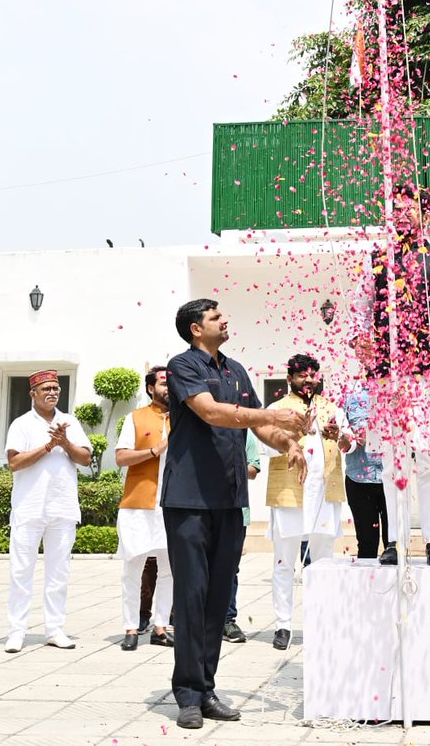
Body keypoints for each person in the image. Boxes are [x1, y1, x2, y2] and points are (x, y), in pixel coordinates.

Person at [162, 298, 307, 730]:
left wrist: (287, 443)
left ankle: (206, 689)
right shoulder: (182, 366)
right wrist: (270, 412)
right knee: (191, 596)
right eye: (214, 317)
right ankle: (186, 694)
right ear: (194, 329)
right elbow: (210, 412)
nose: (225, 320)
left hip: (229, 500)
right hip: (189, 500)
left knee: (217, 599)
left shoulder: (237, 370)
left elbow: (256, 427)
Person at [351, 182, 430, 566]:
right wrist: (360, 339)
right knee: (393, 459)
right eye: (396, 208)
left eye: (410, 208)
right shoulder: (375, 259)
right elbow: (360, 307)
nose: (402, 214)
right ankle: (395, 539)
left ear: (426, 214)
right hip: (386, 375)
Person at [266, 354, 353, 649]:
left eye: (312, 374)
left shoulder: (332, 408)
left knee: (324, 562)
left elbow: (349, 445)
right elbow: (266, 448)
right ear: (289, 378)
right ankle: (283, 625)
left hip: (325, 495)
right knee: (284, 562)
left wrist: (340, 436)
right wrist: (297, 430)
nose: (309, 379)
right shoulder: (276, 409)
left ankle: (322, 622)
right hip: (289, 494)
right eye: (302, 375)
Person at [4, 369, 92, 653]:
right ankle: (17, 631)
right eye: (46, 389)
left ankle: (55, 629)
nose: (53, 392)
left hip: (62, 507)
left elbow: (85, 457)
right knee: (21, 571)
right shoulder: (21, 424)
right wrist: (48, 445)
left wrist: (64, 443)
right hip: (29, 509)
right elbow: (15, 462)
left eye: (56, 388)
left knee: (58, 573)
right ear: (33, 394)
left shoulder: (69, 421)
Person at [115, 364, 173, 651]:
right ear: (151, 388)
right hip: (138, 504)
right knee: (133, 568)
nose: (168, 387)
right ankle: (131, 627)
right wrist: (154, 451)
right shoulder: (135, 418)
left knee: (169, 569)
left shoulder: (185, 420)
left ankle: (160, 627)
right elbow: (122, 457)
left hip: (172, 505)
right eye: (163, 382)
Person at [223, 429, 261, 643]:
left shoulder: (245, 434)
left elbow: (254, 469)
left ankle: (228, 620)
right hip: (206, 510)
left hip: (237, 511)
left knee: (230, 569)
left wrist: (228, 466)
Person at [343, 380, 388, 559]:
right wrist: (348, 438)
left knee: (396, 546)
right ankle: (369, 587)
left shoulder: (401, 390)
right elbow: (341, 433)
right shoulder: (349, 394)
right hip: (358, 478)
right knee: (366, 544)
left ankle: (396, 586)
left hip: (392, 477)